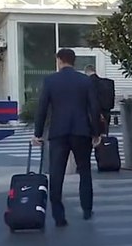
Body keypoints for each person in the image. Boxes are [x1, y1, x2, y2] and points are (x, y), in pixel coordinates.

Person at [33, 48, 101, 226]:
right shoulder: (85, 81)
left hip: (58, 132)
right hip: (81, 131)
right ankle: (86, 209)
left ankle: (59, 216)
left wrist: (38, 133)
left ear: (59, 60)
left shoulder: (50, 81)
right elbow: (94, 108)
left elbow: (42, 108)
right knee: (85, 171)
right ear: (74, 61)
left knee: (56, 173)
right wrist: (96, 132)